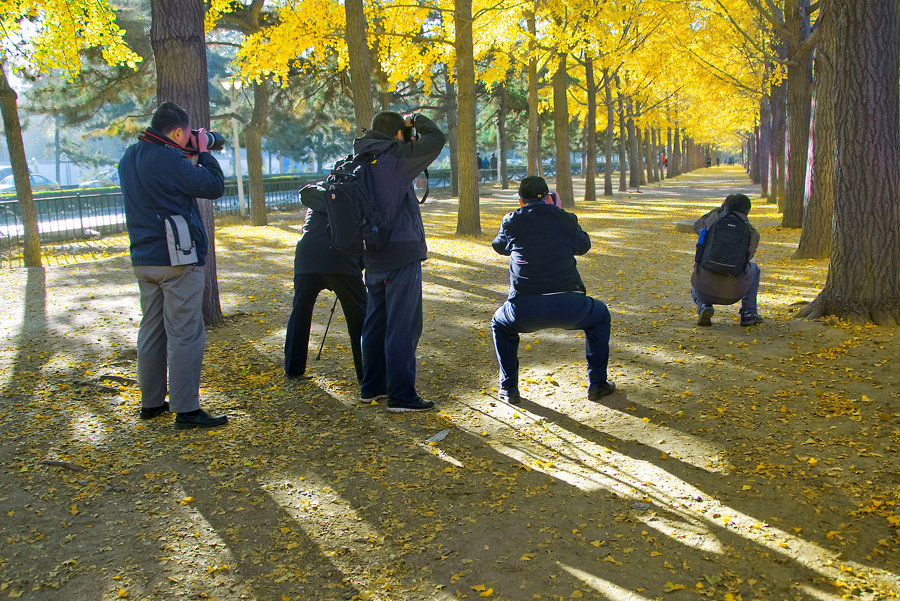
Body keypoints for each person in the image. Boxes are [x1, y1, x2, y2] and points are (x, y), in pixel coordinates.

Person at [118, 102, 228, 429]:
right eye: (186, 136)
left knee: (151, 329)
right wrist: (204, 151)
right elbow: (213, 186)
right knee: (185, 333)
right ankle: (186, 409)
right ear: (178, 132)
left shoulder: (129, 157)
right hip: (177, 257)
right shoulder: (169, 158)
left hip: (144, 258)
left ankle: (151, 403)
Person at [490, 175, 615, 405]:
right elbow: (583, 245)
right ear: (549, 197)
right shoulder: (565, 218)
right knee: (600, 315)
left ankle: (509, 388)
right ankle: (597, 384)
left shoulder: (510, 221)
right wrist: (559, 216)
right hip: (570, 305)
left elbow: (499, 246)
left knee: (500, 323)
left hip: (524, 308)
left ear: (520, 200)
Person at [355, 111, 446, 412]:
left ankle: (373, 387)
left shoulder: (361, 158)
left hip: (372, 251)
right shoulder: (395, 157)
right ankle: (402, 396)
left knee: (376, 323)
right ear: (397, 134)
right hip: (401, 251)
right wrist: (416, 119)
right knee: (403, 326)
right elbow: (437, 139)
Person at [284, 190, 366, 381]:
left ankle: (293, 369)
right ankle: (367, 374)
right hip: (342, 262)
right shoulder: (354, 196)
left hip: (307, 260)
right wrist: (359, 265)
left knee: (300, 314)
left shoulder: (316, 196)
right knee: (360, 319)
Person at [691, 193, 763, 327]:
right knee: (754, 268)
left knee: (700, 264)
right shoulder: (751, 232)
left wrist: (718, 211)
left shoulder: (712, 222)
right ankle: (748, 313)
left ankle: (704, 306)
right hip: (733, 294)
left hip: (703, 289)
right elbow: (747, 258)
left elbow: (697, 226)